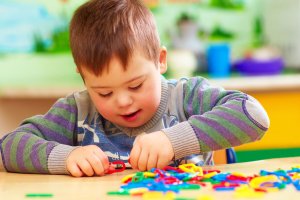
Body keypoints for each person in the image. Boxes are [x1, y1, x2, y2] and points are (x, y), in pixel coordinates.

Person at [0, 0, 269, 177]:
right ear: (83, 78)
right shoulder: (77, 111)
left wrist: (172, 140)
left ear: (161, 60)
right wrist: (66, 156)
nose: (123, 101)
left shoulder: (186, 97)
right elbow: (9, 147)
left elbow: (254, 116)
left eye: (136, 85)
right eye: (104, 93)